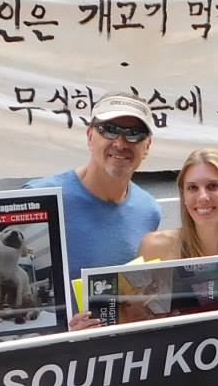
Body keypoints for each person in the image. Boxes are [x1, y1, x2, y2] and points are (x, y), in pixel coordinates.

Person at [26, 95, 163, 289]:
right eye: (109, 130)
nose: (121, 143)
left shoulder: (149, 211)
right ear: (90, 136)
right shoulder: (38, 198)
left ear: (147, 146)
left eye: (134, 133)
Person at [137, 148, 218, 311]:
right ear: (183, 196)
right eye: (192, 188)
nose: (203, 197)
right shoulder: (154, 247)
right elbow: (129, 316)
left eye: (212, 186)